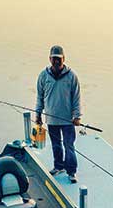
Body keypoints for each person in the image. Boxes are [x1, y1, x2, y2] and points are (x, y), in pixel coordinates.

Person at [35, 45, 82, 183]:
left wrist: (77, 116)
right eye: (54, 58)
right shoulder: (43, 76)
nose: (56, 61)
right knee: (56, 145)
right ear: (49, 59)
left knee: (69, 146)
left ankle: (71, 171)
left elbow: (76, 98)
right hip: (51, 119)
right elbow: (40, 96)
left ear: (64, 59)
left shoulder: (71, 76)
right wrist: (38, 114)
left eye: (59, 59)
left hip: (68, 120)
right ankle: (58, 166)